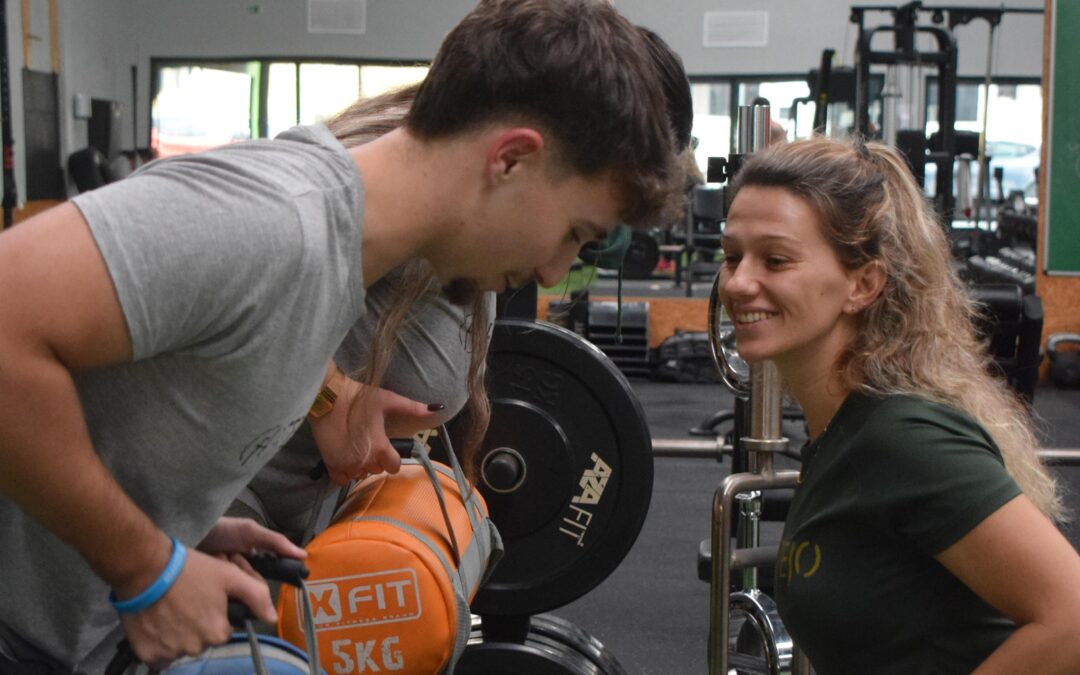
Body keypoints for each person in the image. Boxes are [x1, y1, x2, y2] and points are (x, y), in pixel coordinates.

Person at [0, 0, 688, 670]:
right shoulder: (277, 223)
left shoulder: (344, 261)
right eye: (575, 233)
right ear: (510, 160)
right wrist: (145, 566)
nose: (555, 267)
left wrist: (181, 525)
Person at [717, 135, 1080, 673]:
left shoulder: (902, 439)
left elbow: (1071, 619)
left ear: (862, 284)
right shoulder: (840, 433)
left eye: (775, 259)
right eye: (731, 257)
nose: (738, 282)